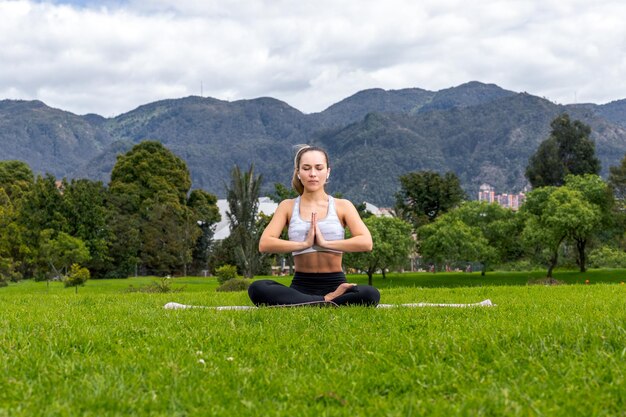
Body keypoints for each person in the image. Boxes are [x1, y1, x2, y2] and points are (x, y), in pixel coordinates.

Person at [248, 145, 380, 307]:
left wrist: (325, 244)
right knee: (257, 288)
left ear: (328, 171)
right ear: (298, 172)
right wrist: (304, 244)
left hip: (336, 284)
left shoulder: (342, 206)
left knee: (370, 294)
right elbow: (265, 243)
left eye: (319, 168)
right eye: (306, 168)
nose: (313, 174)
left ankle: (304, 303)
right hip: (301, 285)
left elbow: (366, 242)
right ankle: (327, 301)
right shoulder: (288, 206)